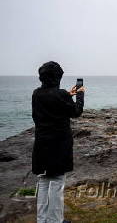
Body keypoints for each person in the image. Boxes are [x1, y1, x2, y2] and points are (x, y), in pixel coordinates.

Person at [32, 61, 85, 223]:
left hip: (41, 143)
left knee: (43, 180)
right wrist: (80, 95)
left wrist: (68, 94)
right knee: (56, 182)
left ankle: (42, 219)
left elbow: (52, 101)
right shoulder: (60, 95)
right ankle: (55, 220)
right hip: (59, 144)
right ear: (57, 77)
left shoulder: (36, 94)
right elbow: (76, 112)